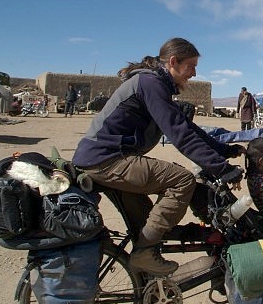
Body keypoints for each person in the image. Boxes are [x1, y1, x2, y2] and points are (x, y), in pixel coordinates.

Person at [72, 38, 244, 275]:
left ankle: (147, 272)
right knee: (182, 179)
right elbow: (180, 135)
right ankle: (144, 253)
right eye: (191, 66)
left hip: (102, 158)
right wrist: (222, 169)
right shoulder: (151, 83)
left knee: (148, 222)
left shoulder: (154, 84)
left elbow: (186, 127)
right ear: (173, 62)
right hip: (106, 159)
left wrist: (224, 151)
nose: (194, 74)